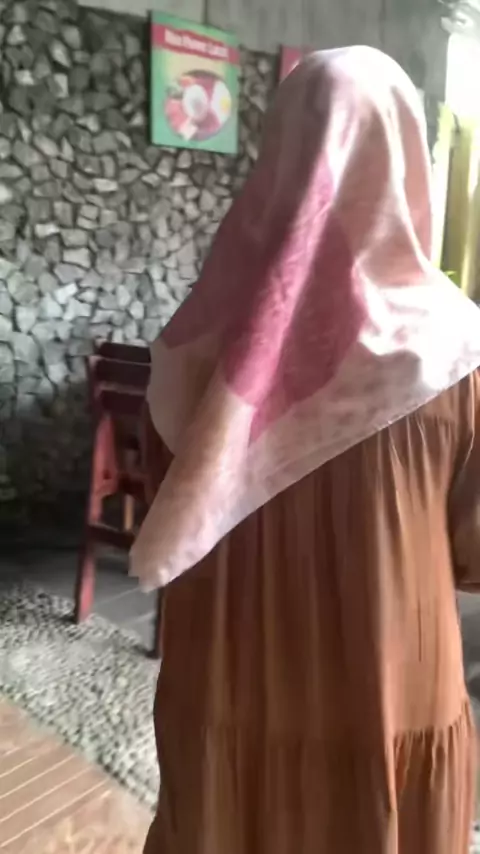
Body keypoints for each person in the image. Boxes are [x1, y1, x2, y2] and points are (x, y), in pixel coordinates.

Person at [132, 46, 480, 854]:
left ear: (280, 158)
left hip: (221, 702)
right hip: (388, 709)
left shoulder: (194, 345)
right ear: (404, 158)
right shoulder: (456, 353)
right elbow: (473, 553)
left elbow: (167, 513)